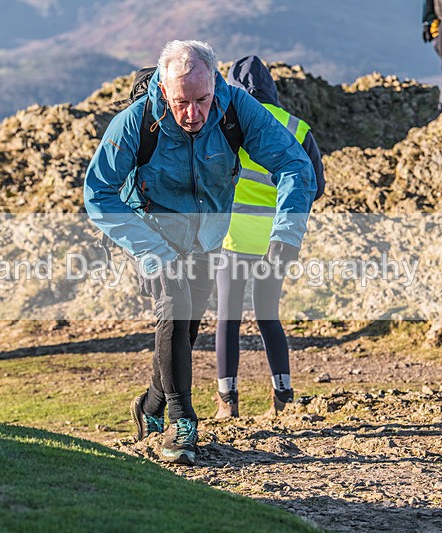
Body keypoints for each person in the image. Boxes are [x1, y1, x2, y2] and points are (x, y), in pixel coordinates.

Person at [84, 40, 316, 465]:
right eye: (181, 102)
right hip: (154, 233)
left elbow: (295, 165)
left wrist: (287, 231)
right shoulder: (136, 122)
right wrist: (150, 250)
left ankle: (151, 405)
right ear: (164, 89)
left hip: (209, 237)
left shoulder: (236, 111)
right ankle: (182, 422)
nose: (192, 114)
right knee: (174, 309)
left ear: (215, 83)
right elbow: (97, 193)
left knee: (186, 330)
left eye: (202, 100)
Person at [214, 56, 325, 419]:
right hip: (277, 239)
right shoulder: (299, 128)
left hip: (234, 238)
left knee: (228, 318)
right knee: (268, 315)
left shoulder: (229, 122)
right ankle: (283, 394)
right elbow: (315, 187)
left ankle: (227, 401)